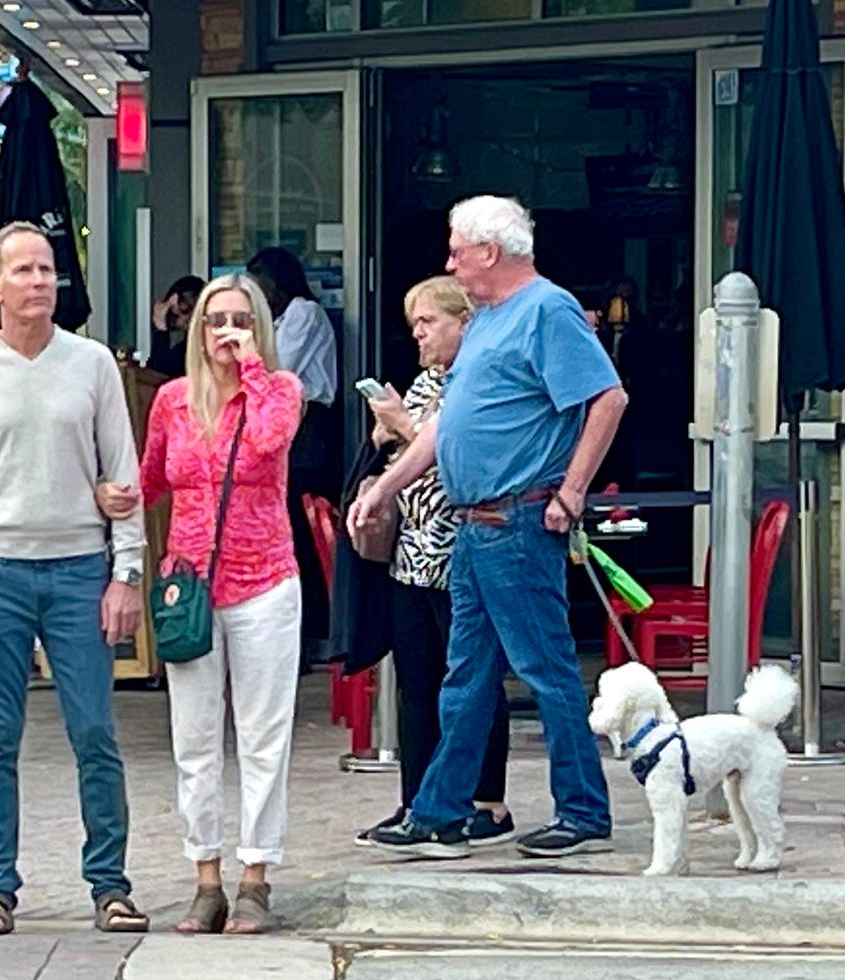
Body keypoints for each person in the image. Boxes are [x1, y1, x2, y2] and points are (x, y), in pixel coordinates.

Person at [352, 197, 628, 860]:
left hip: (519, 516)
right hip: (477, 524)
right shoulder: (486, 321)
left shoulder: (548, 309)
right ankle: (441, 809)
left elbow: (607, 396)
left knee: (544, 666)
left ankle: (584, 810)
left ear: (491, 252)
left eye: (457, 250)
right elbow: (448, 425)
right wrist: (387, 484)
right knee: (467, 673)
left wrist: (572, 490)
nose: (448, 262)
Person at [0, 222, 149, 938]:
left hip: (78, 569)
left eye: (48, 269)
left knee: (94, 729)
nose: (38, 281)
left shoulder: (91, 365)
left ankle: (110, 884)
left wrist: (126, 572)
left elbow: (123, 473)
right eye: (22, 270)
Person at [110, 273, 304, 935]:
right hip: (189, 586)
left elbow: (271, 441)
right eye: (216, 321)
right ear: (196, 329)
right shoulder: (171, 400)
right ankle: (205, 876)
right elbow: (155, 477)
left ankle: (256, 874)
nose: (227, 331)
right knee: (193, 737)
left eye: (241, 320)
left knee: (262, 736)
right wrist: (116, 500)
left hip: (265, 582)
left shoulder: (280, 390)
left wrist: (249, 364)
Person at [352, 278, 512, 848]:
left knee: (471, 680)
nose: (417, 333)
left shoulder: (482, 382)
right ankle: (416, 801)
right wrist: (384, 433)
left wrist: (402, 427)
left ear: (463, 321)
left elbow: (461, 459)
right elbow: (404, 453)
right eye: (414, 322)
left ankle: (488, 803)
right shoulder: (423, 382)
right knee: (415, 685)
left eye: (427, 322)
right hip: (410, 553)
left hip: (461, 552)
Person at [247, 247, 338, 661]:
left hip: (307, 428)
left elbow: (277, 368)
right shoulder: (282, 318)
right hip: (285, 424)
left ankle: (309, 636)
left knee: (300, 530)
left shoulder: (304, 312)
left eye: (261, 284)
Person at [146, 275, 207, 379]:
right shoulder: (188, 346)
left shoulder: (196, 346)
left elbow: (158, 373)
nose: (171, 307)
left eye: (182, 303)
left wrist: (161, 328)